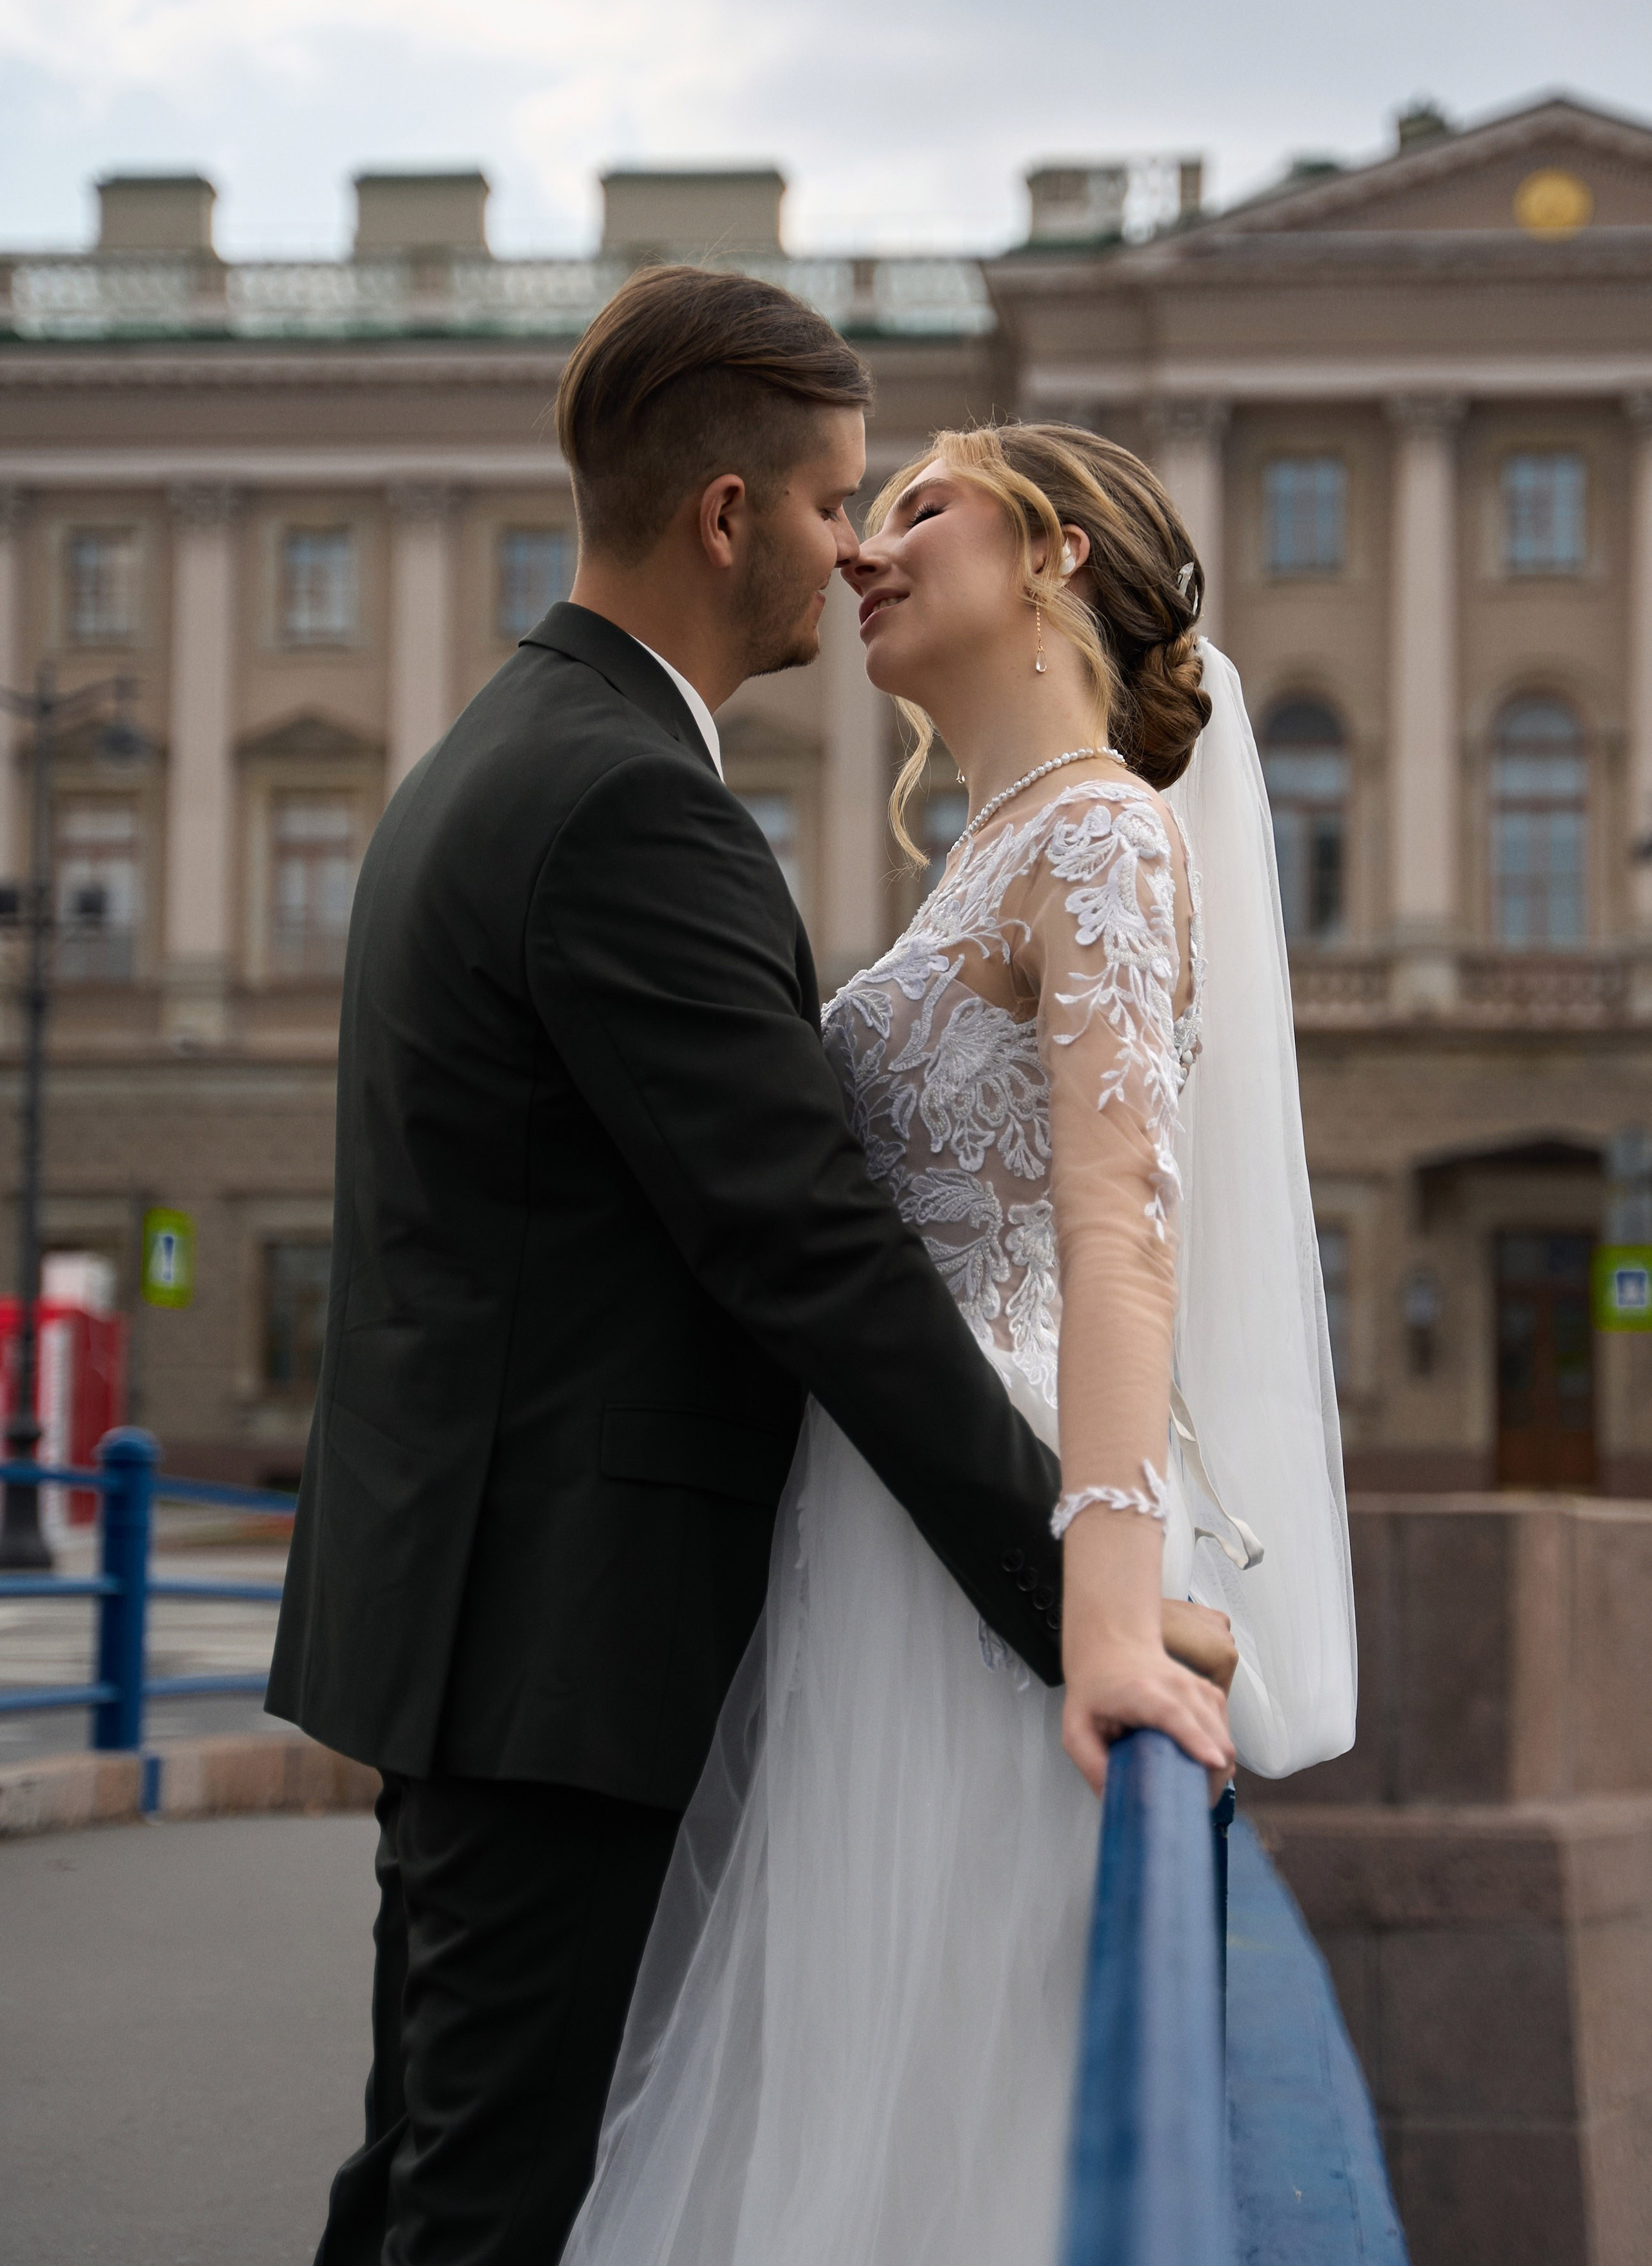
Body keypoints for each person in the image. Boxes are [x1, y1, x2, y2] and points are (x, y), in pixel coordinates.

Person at [267, 275, 1236, 2266]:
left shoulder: (502, 754)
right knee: (500, 2195)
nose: (856, 545)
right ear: (728, 516)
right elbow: (808, 1253)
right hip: (569, 1636)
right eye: (836, 503)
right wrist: (1068, 1601)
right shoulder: (635, 801)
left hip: (495, 1612)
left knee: (451, 2171)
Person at [558, 423, 1358, 2265]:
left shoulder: (1096, 831)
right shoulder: (994, 848)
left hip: (991, 1538)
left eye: (923, 509)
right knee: (872, 2058)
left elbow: (1117, 1225)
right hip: (888, 1522)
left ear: (1058, 556)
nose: (861, 551)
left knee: (953, 2073)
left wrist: (1098, 1601)